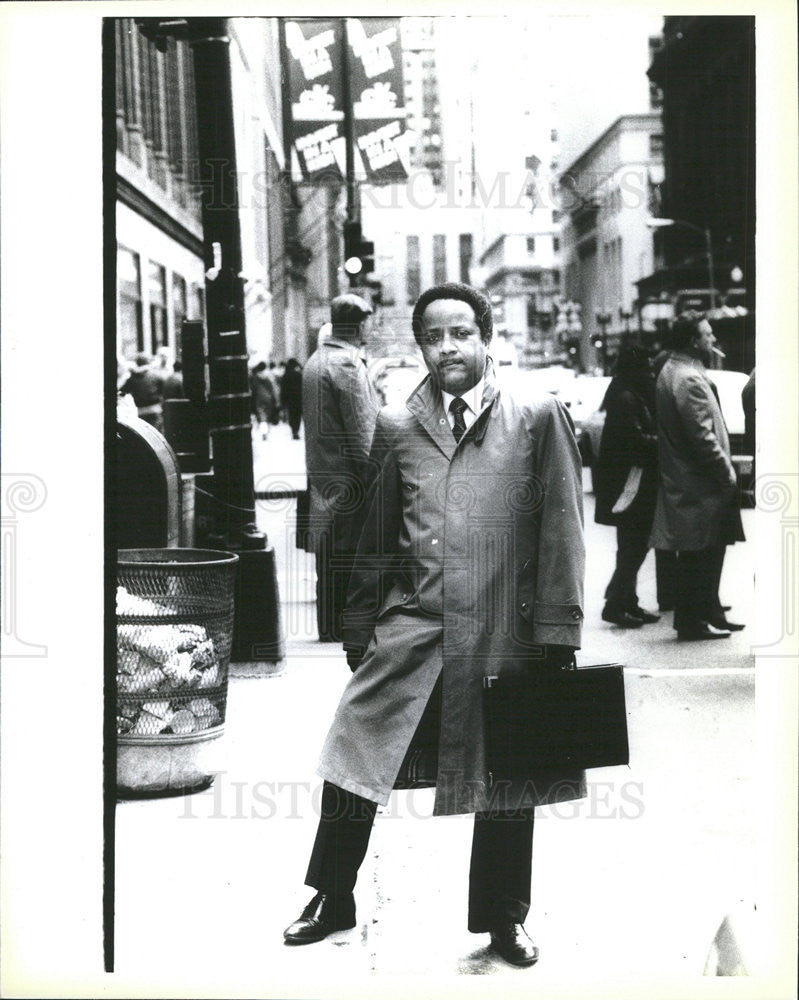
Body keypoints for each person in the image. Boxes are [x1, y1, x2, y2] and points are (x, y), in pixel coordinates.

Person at [284, 283, 585, 968]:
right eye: (432, 337)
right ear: (419, 346)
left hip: (506, 633)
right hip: (413, 629)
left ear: (485, 337)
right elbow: (377, 534)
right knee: (354, 754)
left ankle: (505, 919)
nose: (447, 347)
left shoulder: (536, 416)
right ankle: (331, 897)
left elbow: (562, 530)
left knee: (510, 775)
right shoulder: (397, 424)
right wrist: (360, 626)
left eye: (459, 333)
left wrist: (558, 633)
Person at [649, 311, 745, 640]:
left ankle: (701, 617)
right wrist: (727, 473)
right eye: (707, 334)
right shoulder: (687, 377)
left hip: (687, 481)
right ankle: (693, 623)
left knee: (696, 556)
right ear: (693, 340)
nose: (713, 339)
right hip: (698, 484)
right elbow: (703, 436)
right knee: (700, 557)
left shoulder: (673, 370)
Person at [302, 294, 380, 642]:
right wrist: (382, 482)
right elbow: (365, 434)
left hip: (324, 482)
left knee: (330, 563)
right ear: (360, 323)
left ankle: (330, 626)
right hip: (350, 485)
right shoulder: (347, 364)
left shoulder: (317, 360)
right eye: (369, 321)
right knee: (350, 561)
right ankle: (345, 628)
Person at [594, 345, 660, 628]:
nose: (651, 372)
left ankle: (627, 601)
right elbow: (636, 441)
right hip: (631, 485)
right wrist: (663, 442)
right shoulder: (627, 399)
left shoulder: (625, 394)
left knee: (631, 545)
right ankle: (616, 602)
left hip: (628, 483)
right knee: (636, 545)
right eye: (647, 366)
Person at [120, 352, 166, 433]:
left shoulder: (132, 377)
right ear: (148, 362)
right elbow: (164, 392)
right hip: (155, 409)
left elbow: (122, 391)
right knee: (156, 435)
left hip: (140, 411)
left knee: (144, 436)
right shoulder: (156, 375)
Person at [250, 360, 279, 439]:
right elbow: (272, 389)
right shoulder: (268, 377)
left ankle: (264, 433)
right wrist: (275, 399)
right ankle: (266, 432)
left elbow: (252, 390)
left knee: (262, 417)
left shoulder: (254, 378)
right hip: (268, 399)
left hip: (258, 399)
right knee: (267, 416)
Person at [281, 358, 304, 439]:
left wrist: (283, 401)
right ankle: (296, 430)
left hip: (289, 399)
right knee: (297, 415)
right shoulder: (299, 375)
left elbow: (283, 389)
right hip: (298, 398)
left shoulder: (285, 375)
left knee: (291, 415)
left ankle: (293, 430)